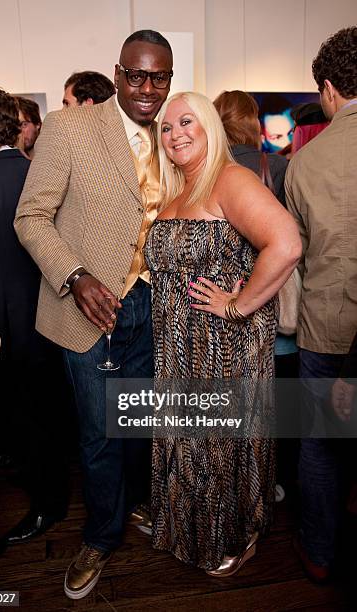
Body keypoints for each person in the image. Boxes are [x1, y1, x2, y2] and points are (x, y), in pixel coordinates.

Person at [14, 30, 173, 599]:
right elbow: (30, 217)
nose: (147, 88)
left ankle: (133, 505)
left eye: (159, 77)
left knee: (139, 423)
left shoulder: (176, 135)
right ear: (118, 72)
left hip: (155, 309)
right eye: (136, 75)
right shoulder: (69, 127)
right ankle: (101, 536)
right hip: (89, 311)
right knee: (98, 433)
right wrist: (75, 277)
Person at [144, 91, 301, 575]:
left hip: (222, 349)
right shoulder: (177, 191)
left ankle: (235, 535)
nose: (175, 135)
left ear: (210, 125)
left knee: (220, 445)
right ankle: (187, 527)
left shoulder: (229, 180)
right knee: (191, 443)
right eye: (166, 129)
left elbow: (287, 244)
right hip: (178, 350)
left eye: (186, 122)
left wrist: (238, 304)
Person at [0, 87, 69, 545]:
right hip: (51, 308)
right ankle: (53, 491)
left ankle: (46, 506)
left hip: (7, 319)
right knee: (50, 409)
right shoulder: (37, 170)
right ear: (15, 123)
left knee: (25, 415)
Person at [285, 26, 357, 583]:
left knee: (322, 445)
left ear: (330, 89)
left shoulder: (305, 163)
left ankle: (320, 552)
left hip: (328, 329)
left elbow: (296, 255)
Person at [214, 89, 298, 496]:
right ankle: (273, 481)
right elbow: (295, 241)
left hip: (219, 303)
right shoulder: (277, 167)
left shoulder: (207, 173)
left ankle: (231, 481)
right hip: (272, 301)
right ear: (252, 123)